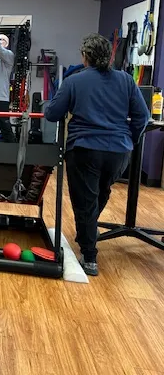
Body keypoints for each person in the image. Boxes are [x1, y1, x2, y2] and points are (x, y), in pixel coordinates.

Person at [45, 33, 149, 276]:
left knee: (85, 200)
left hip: (85, 149)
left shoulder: (74, 81)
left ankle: (89, 256)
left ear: (85, 56)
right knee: (101, 193)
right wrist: (130, 140)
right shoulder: (126, 80)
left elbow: (52, 113)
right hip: (119, 152)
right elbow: (142, 117)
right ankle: (87, 233)